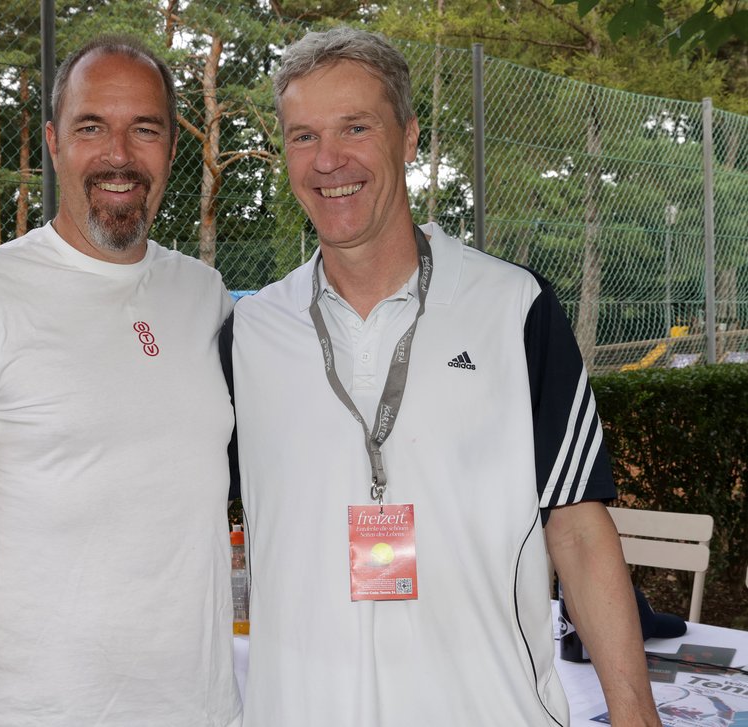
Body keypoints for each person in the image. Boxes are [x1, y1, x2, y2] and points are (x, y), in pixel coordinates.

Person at [224, 27, 661, 726]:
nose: (328, 160)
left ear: (408, 138)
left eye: (355, 127)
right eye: (304, 136)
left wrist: (635, 715)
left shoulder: (514, 307)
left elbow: (578, 530)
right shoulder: (247, 332)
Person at [0, 35, 242, 727]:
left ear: (172, 147)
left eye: (144, 129)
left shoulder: (206, 295)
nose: (119, 154)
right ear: (54, 142)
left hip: (200, 709)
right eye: (91, 127)